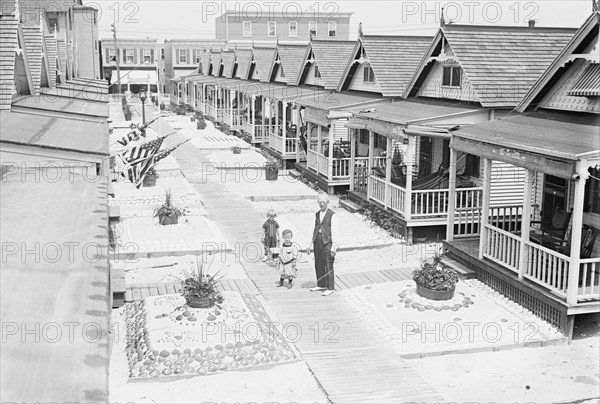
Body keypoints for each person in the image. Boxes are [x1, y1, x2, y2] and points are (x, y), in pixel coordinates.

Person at [307, 193, 338, 296]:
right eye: (320, 202)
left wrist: (334, 246)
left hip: (327, 242)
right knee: (318, 263)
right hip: (317, 240)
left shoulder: (332, 215)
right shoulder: (316, 214)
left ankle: (330, 287)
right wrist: (310, 242)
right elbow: (314, 228)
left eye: (323, 202)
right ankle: (321, 284)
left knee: (328, 264)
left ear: (327, 203)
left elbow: (335, 231)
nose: (321, 204)